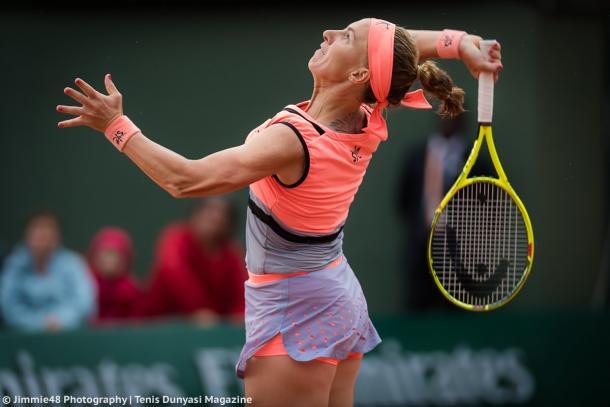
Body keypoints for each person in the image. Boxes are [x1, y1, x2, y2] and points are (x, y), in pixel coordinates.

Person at [56, 18, 502, 407]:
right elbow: (401, 48)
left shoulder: (293, 142)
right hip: (333, 297)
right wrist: (459, 43)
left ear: (360, 72)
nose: (328, 33)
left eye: (344, 36)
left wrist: (115, 126)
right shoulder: (371, 110)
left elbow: (184, 180)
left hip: (298, 313)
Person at [396, 113, 492, 312]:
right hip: (420, 250)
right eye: (444, 114)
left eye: (454, 114)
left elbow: (488, 205)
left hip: (463, 254)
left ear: (463, 120)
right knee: (418, 308)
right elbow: (403, 201)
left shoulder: (476, 159)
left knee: (459, 311)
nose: (448, 119)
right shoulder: (416, 155)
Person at [134, 197, 246, 325]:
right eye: (209, 211)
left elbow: (241, 294)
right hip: (161, 324)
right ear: (194, 215)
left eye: (223, 214)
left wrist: (239, 317)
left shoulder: (231, 252)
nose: (216, 217)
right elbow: (173, 270)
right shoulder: (175, 238)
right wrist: (199, 309)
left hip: (212, 332)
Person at [0, 210, 96, 331]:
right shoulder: (14, 264)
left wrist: (60, 321)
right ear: (27, 235)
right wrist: (39, 323)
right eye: (37, 229)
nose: (43, 235)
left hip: (66, 336)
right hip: (21, 338)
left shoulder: (73, 264)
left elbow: (84, 304)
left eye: (49, 230)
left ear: (58, 236)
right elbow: (8, 307)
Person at [87, 226, 142, 322]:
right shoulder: (84, 287)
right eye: (104, 253)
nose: (109, 260)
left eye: (114, 254)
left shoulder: (133, 291)